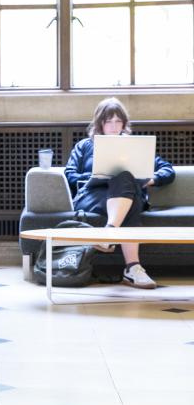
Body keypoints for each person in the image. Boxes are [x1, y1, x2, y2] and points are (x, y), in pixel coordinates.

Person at [65, 97, 175, 289]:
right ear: (100, 123)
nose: (114, 126)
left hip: (126, 194)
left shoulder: (133, 145)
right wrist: (99, 174)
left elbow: (167, 170)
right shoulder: (85, 146)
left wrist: (151, 179)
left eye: (118, 121)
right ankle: (133, 268)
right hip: (94, 196)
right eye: (108, 121)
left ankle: (109, 233)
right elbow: (70, 174)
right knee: (128, 193)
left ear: (124, 123)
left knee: (125, 179)